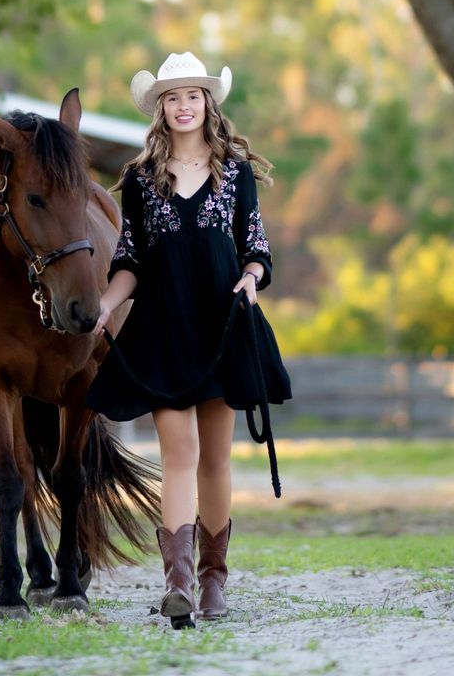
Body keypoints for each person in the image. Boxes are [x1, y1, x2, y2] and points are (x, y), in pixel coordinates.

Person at [87, 51, 291, 627]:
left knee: (215, 461)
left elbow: (257, 249)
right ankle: (175, 583)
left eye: (193, 95)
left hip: (223, 326)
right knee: (179, 456)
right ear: (160, 108)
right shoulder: (141, 182)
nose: (183, 106)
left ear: (208, 104)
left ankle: (212, 581)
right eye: (172, 97)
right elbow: (130, 260)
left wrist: (252, 279)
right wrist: (104, 306)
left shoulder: (236, 174)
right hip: (163, 328)